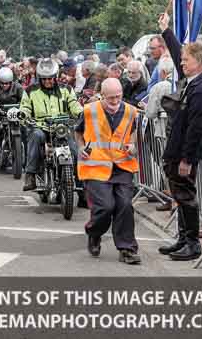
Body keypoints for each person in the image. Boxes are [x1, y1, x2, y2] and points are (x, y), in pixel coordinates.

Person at [156, 12, 202, 261]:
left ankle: (192, 244)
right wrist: (166, 30)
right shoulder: (192, 81)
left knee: (186, 197)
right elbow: (178, 49)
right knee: (179, 196)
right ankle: (183, 238)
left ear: (200, 62)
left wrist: (187, 160)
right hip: (175, 148)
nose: (182, 63)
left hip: (184, 152)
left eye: (186, 60)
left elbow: (195, 128)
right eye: (181, 60)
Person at [76, 78, 141, 264]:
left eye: (118, 97)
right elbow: (78, 132)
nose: (114, 101)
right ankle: (94, 233)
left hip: (122, 165)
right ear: (101, 96)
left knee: (125, 205)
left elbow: (134, 133)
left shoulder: (130, 111)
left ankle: (127, 249)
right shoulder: (89, 111)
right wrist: (81, 148)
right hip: (96, 166)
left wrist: (133, 145)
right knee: (105, 207)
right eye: (110, 98)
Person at [20, 59, 82, 192]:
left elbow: (74, 104)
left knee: (75, 152)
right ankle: (30, 175)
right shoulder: (31, 90)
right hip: (40, 127)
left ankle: (81, 187)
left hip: (62, 128)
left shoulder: (66, 89)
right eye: (44, 79)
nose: (48, 81)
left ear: (55, 77)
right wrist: (24, 115)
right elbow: (25, 106)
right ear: (39, 78)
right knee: (35, 136)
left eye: (51, 78)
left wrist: (81, 113)